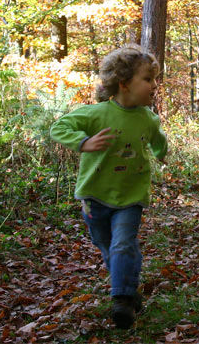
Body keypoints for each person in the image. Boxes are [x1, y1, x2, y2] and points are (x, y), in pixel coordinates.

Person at [50, 45, 167, 329]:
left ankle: (122, 301)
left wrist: (162, 150)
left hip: (131, 196)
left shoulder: (148, 118)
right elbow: (59, 127)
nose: (154, 85)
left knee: (123, 243)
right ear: (124, 84)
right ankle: (128, 285)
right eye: (147, 79)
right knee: (108, 246)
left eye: (154, 80)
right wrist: (84, 142)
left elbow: (157, 141)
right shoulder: (96, 114)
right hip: (94, 195)